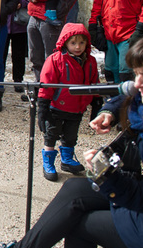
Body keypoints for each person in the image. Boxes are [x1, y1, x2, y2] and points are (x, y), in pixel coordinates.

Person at [0, 29, 143, 248]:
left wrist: (109, 177)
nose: (137, 83)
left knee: (76, 221)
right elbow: (127, 94)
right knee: (76, 189)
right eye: (136, 73)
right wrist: (110, 111)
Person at [36, 23, 101, 180]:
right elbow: (46, 84)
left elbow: (94, 84)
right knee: (51, 134)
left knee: (71, 136)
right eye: (73, 43)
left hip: (77, 108)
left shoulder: (90, 62)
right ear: (65, 42)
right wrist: (43, 107)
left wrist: (96, 104)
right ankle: (48, 162)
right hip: (57, 107)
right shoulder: (55, 60)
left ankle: (66, 159)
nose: (77, 47)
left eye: (81, 43)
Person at [3, 0, 29, 100]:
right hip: (5, 22)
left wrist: (20, 3)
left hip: (19, 23)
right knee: (1, 53)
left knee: (19, 55)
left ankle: (18, 80)